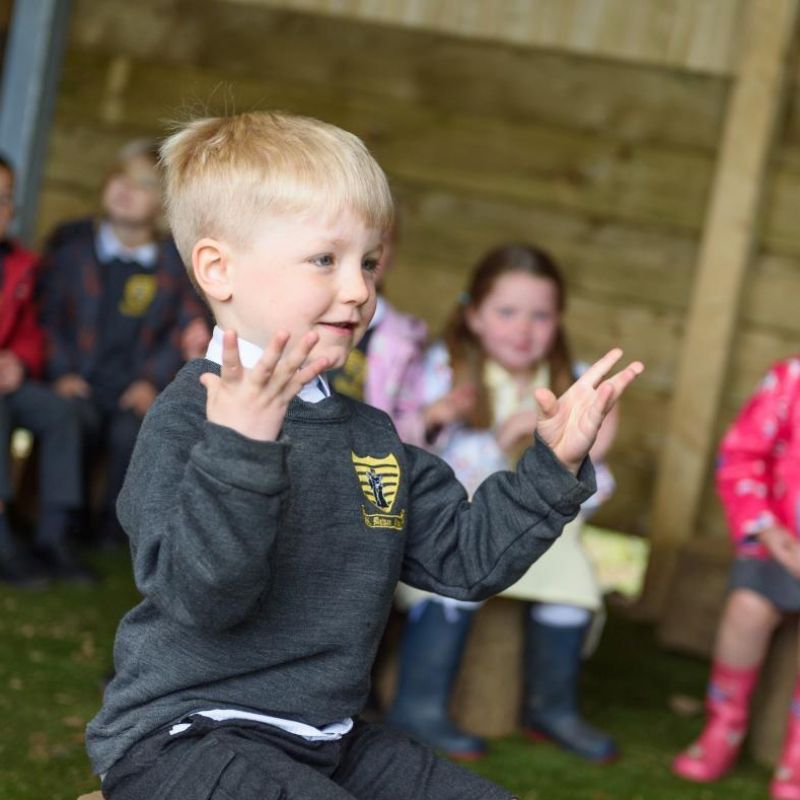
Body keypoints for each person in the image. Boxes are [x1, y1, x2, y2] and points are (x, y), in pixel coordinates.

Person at [85, 110, 642, 800]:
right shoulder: (190, 419)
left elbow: (467, 560)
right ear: (218, 268)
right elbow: (206, 597)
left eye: (368, 262)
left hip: (325, 738)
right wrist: (242, 450)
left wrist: (552, 466)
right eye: (325, 259)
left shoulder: (370, 437)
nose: (358, 290)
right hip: (185, 738)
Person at [386, 244, 619, 763]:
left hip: (540, 531)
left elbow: (600, 458)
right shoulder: (447, 370)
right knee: (451, 587)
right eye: (507, 312)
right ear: (474, 315)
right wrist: (470, 426)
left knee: (570, 588)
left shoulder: (569, 378)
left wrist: (571, 443)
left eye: (541, 315)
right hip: (458, 523)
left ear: (558, 321)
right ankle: (418, 704)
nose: (523, 329)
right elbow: (414, 450)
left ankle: (551, 708)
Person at [38, 140, 207, 546]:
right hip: (80, 380)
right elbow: (49, 319)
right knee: (72, 421)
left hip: (134, 387)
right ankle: (63, 528)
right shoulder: (73, 251)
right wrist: (61, 373)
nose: (126, 189)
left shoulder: (174, 267)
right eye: (120, 177)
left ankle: (115, 529)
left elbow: (179, 331)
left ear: (165, 208)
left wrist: (151, 381)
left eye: (143, 184)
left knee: (132, 432)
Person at [673, 357, 800, 800]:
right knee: (747, 609)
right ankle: (725, 722)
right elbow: (741, 457)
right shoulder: (790, 381)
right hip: (778, 542)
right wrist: (767, 529)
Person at [0, 153, 86, 584]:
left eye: (3, 199)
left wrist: (18, 361)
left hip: (7, 380)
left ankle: (52, 534)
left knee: (60, 411)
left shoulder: (21, 264)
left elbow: (32, 330)